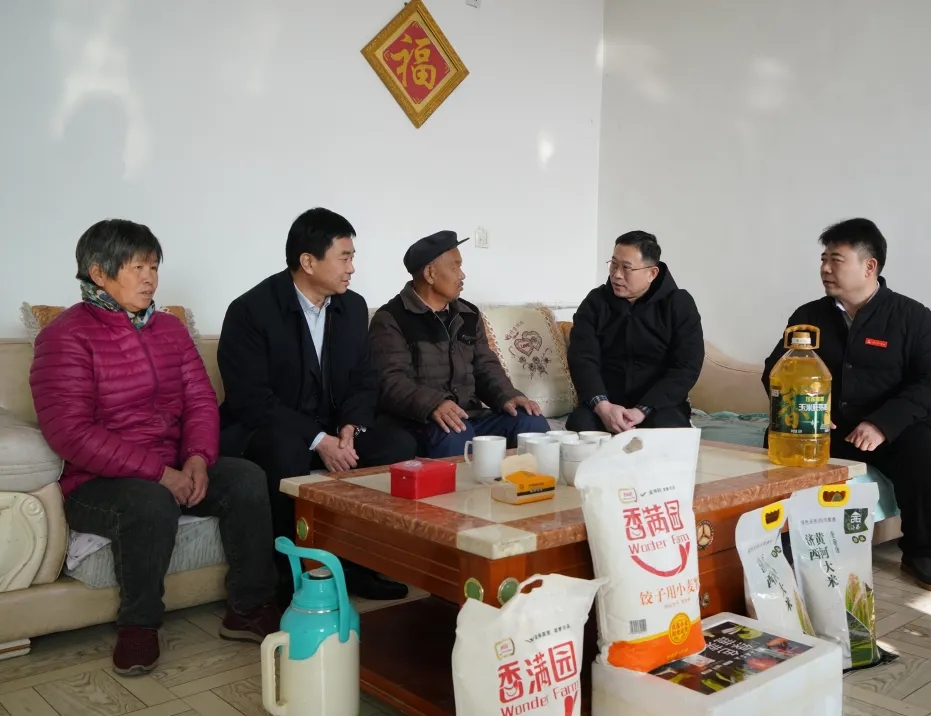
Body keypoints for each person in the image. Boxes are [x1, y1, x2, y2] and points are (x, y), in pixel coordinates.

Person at [29, 219, 279, 676]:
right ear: (98, 273)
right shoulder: (65, 336)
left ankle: (249, 608)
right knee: (149, 500)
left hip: (174, 465)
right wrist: (161, 475)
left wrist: (198, 458)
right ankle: (139, 626)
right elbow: (71, 432)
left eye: (154, 267)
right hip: (97, 481)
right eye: (137, 267)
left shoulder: (169, 328)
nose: (150, 279)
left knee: (246, 477)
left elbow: (200, 400)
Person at [217, 208, 417, 601]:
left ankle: (359, 564)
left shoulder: (352, 307)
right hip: (268, 432)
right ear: (308, 262)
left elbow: (364, 379)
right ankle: (288, 579)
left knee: (398, 444)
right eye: (344, 257)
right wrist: (318, 439)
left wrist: (350, 427)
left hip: (332, 428)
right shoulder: (251, 310)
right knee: (286, 449)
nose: (352, 268)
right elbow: (250, 398)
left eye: (352, 257)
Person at [763, 218, 931, 591]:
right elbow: (776, 370)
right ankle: (779, 543)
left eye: (836, 260)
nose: (825, 268)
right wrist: (806, 410)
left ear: (869, 267)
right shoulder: (809, 316)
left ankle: (919, 553)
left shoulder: (911, 317)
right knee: (776, 444)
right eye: (823, 259)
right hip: (824, 425)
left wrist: (882, 424)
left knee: (923, 457)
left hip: (890, 427)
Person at [369, 230, 549, 456]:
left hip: (469, 417)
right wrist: (434, 404)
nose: (462, 275)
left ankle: (529, 480)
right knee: (457, 435)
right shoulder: (391, 318)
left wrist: (508, 396)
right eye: (455, 268)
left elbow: (485, 367)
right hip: (421, 421)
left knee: (531, 422)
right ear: (430, 273)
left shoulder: (468, 314)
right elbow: (391, 381)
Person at [566, 230, 705, 433]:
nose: (616, 274)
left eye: (626, 268)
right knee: (581, 427)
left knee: (666, 430)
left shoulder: (678, 304)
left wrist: (642, 410)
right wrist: (603, 406)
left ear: (651, 273)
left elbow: (686, 367)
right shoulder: (595, 302)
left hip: (659, 407)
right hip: (606, 405)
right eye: (613, 264)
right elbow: (582, 358)